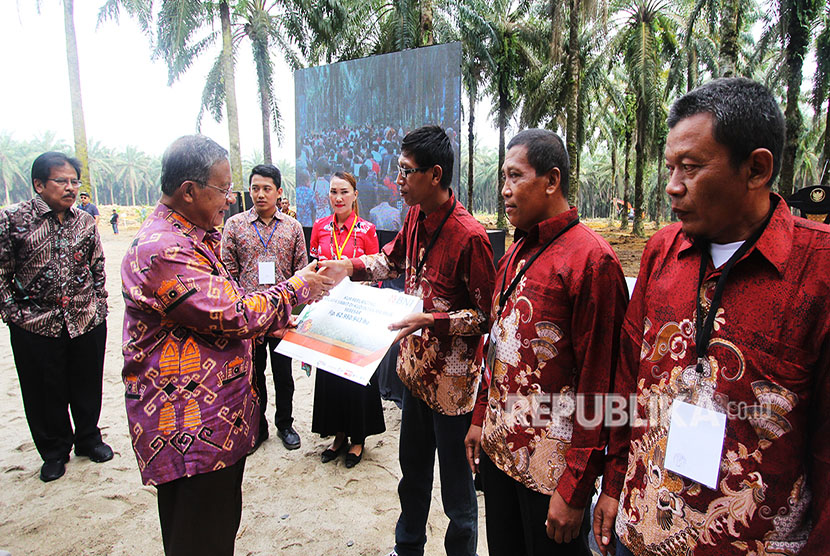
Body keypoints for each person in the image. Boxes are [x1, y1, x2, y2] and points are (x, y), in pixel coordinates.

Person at [595, 78, 830, 556]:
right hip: (640, 528)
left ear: (757, 168)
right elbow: (627, 378)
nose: (672, 186)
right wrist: (615, 486)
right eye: (669, 167)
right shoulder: (663, 251)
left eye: (691, 167)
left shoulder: (819, 272)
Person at [121, 135, 334, 556]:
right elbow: (233, 312)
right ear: (189, 191)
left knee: (215, 530)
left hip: (213, 423)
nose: (231, 199)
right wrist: (297, 287)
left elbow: (217, 311)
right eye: (224, 189)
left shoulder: (193, 235)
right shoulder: (164, 249)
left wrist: (274, 318)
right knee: (199, 537)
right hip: (189, 429)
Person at [320, 125, 496, 556]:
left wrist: (433, 320)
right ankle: (408, 546)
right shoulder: (415, 214)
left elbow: (485, 316)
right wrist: (350, 267)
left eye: (405, 171)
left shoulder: (470, 236)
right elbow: (391, 259)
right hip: (414, 376)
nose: (397, 179)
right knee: (412, 475)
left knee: (458, 495)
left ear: (435, 175)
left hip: (453, 390)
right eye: (397, 169)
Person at [464, 130, 628, 556]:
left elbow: (602, 385)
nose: (504, 190)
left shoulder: (592, 261)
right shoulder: (515, 252)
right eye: (503, 177)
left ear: (551, 181)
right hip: (501, 456)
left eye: (515, 176)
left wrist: (575, 486)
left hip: (551, 476)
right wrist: (481, 415)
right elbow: (497, 345)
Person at [0, 152, 112, 482]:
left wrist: (99, 306)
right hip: (35, 324)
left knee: (87, 382)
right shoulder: (14, 221)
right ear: (39, 184)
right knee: (43, 390)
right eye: (61, 181)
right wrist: (13, 313)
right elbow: (2, 272)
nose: (70, 188)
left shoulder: (85, 221)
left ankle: (89, 439)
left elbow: (97, 267)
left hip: (85, 319)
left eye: (74, 181)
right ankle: (53, 451)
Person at [221, 164, 308, 452]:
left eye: (266, 188)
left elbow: (301, 273)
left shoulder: (293, 227)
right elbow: (227, 273)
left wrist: (293, 314)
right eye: (255, 188)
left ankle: (285, 424)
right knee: (253, 376)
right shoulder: (234, 226)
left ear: (279, 192)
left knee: (284, 376)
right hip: (248, 319)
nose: (260, 194)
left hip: (281, 320)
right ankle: (258, 428)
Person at [309, 171, 383, 468]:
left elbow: (376, 271)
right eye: (333, 192)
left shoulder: (367, 229)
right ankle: (338, 434)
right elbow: (313, 268)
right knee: (330, 374)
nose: (338, 198)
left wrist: (355, 292)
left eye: (343, 192)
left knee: (356, 376)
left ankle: (358, 438)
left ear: (354, 195)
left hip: (357, 314)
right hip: (328, 313)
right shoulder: (319, 228)